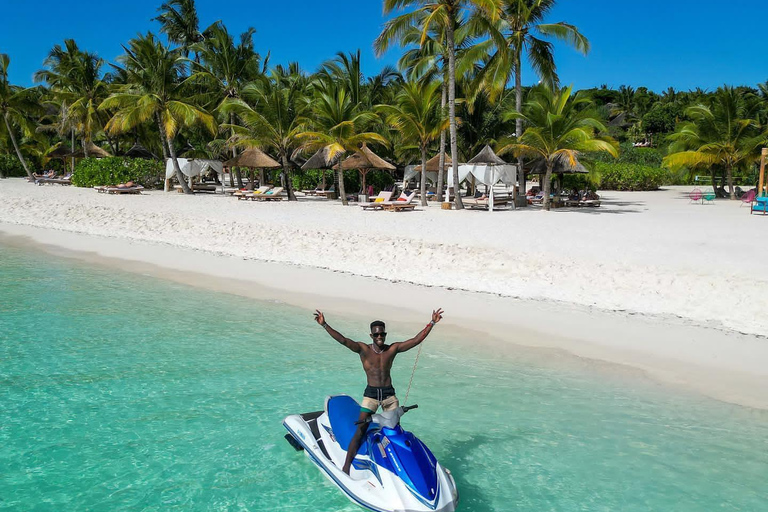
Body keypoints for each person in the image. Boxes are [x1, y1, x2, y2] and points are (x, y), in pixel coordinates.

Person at [313, 308, 444, 475]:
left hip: (389, 395)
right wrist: (325, 325)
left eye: (382, 334)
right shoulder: (363, 350)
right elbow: (344, 340)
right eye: (376, 335)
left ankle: (402, 466)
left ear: (385, 334)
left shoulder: (392, 349)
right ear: (371, 336)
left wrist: (431, 323)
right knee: (360, 429)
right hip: (371, 395)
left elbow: (416, 340)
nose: (379, 337)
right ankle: (347, 465)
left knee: (395, 431)